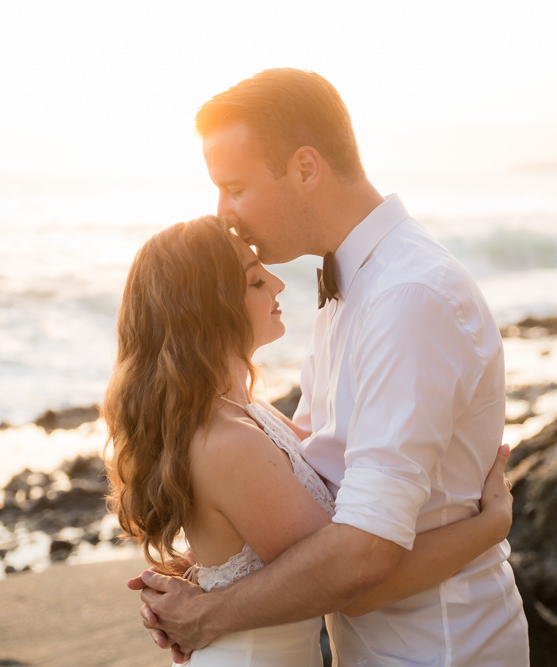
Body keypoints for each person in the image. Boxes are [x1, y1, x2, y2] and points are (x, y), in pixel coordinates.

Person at [132, 69, 530, 665]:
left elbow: (365, 556)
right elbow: (311, 478)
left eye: (235, 187)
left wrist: (212, 612)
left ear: (306, 169)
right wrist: (210, 569)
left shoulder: (408, 297)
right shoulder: (353, 286)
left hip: (438, 648)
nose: (225, 214)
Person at [105, 216, 515, 666]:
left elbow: (267, 522)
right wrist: (489, 526)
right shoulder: (228, 441)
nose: (278, 284)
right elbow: (353, 582)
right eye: (255, 281)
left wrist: (205, 574)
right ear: (206, 309)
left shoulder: (248, 413)